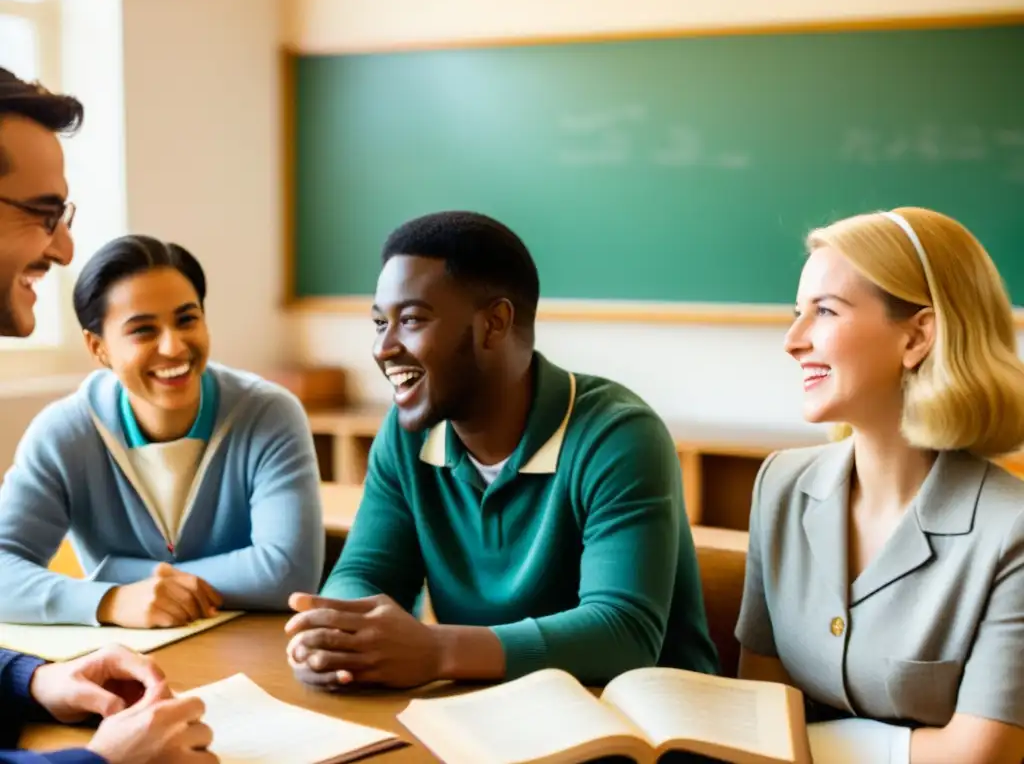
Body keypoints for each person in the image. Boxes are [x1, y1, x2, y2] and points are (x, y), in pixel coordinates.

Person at [285, 209, 718, 690]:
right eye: (378, 323)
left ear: (494, 324)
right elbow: (365, 572)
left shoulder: (618, 435)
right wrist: (332, 633)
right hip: (488, 711)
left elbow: (623, 633)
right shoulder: (408, 434)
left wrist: (435, 651)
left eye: (410, 320)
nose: (383, 347)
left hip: (648, 724)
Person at [735, 207, 1024, 763]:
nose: (793, 340)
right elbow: (760, 702)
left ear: (917, 337)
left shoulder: (1011, 530)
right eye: (798, 312)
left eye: (824, 311)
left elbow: (977, 756)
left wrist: (807, 746)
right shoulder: (780, 485)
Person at [0, 66, 215, 762]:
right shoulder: (66, 428)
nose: (64, 248)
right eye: (42, 213)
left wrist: (35, 681)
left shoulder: (263, 411)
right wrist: (101, 762)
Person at [0, 233, 325, 628]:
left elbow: (288, 571)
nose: (173, 347)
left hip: (254, 651)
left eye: (187, 319)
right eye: (143, 330)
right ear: (97, 347)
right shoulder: (64, 433)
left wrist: (120, 573)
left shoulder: (268, 413)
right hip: (131, 659)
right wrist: (111, 601)